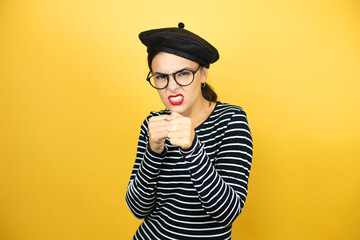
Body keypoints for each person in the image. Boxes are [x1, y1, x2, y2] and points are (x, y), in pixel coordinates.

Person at [125, 22, 253, 240]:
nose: (172, 86)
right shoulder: (153, 123)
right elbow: (138, 209)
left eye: (183, 74)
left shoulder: (231, 120)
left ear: (202, 74)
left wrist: (193, 148)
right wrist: (153, 152)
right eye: (161, 77)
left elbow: (227, 213)